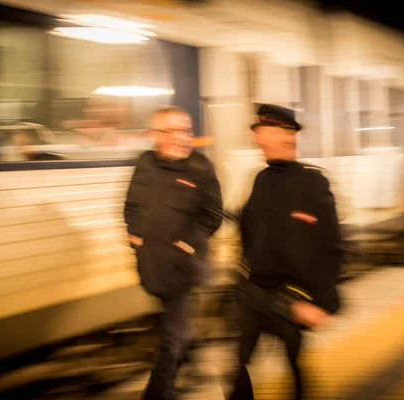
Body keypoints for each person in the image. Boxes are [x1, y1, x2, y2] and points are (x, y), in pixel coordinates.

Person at [226, 104, 344, 400]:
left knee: (294, 366)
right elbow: (247, 227)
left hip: (290, 299)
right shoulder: (260, 179)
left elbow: (331, 245)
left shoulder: (313, 183)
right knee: (237, 367)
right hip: (254, 293)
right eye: (257, 133)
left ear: (286, 134)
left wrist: (323, 302)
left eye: (263, 132)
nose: (258, 140)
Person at [123, 106, 223, 400]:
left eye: (185, 130)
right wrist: (135, 237)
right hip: (151, 263)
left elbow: (213, 216)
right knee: (175, 326)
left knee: (169, 335)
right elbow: (130, 204)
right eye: (172, 131)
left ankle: (158, 391)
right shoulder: (145, 163)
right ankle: (193, 361)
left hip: (184, 265)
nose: (181, 137)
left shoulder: (201, 167)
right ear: (156, 135)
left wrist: (186, 246)